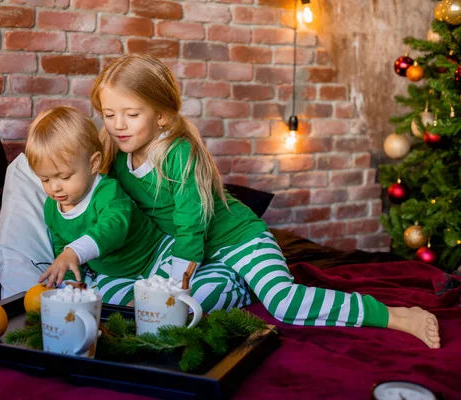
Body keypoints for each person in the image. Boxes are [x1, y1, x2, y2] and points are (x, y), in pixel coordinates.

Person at [90, 53, 441, 349]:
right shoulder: (117, 154)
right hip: (198, 254)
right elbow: (103, 207)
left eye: (131, 114)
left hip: (239, 240)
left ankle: (394, 315)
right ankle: (235, 284)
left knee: (283, 303)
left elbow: (190, 224)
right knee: (160, 299)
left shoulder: (179, 153)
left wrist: (169, 286)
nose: (118, 125)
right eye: (109, 114)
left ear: (161, 116)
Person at [24, 106, 249, 311]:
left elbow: (113, 227)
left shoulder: (107, 191)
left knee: (181, 299)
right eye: (45, 179)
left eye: (64, 176)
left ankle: (231, 284)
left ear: (93, 164)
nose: (55, 188)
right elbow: (61, 243)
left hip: (157, 256)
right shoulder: (52, 209)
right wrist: (73, 278)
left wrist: (74, 251)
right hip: (115, 273)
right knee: (109, 304)